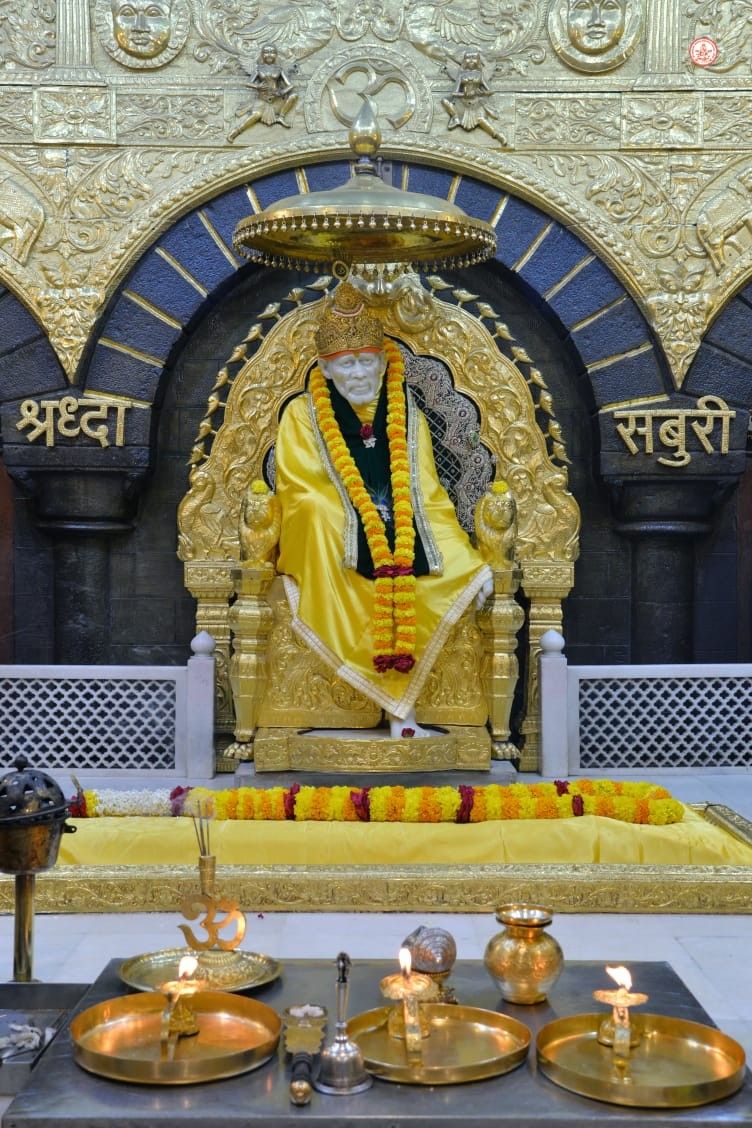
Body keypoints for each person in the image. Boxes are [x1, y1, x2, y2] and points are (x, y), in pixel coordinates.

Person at [274, 282, 493, 739]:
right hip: (334, 540)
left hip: (406, 525)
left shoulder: (406, 409)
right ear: (328, 371)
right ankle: (392, 708)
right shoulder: (301, 412)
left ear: (382, 362)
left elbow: (428, 489)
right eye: (346, 364)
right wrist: (359, 515)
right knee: (317, 511)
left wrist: (472, 560)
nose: (357, 374)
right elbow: (301, 485)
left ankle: (405, 712)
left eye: (365, 361)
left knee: (453, 572)